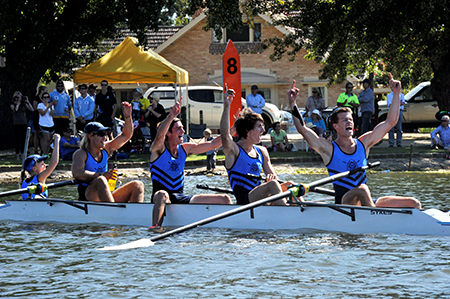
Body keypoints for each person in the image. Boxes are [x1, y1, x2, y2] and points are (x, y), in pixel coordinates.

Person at [288, 75, 421, 209]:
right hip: (345, 204)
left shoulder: (364, 143)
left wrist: (397, 93)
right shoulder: (328, 149)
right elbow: (303, 129)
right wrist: (292, 103)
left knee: (413, 203)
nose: (349, 122)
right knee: (362, 189)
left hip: (365, 200)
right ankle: (373, 223)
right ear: (335, 126)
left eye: (350, 119)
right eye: (345, 120)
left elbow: (390, 122)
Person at [150, 98, 232, 227]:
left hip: (180, 197)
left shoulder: (185, 149)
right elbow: (159, 136)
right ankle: (156, 228)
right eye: (179, 129)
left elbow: (214, 144)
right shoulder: (158, 150)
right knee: (162, 194)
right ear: (168, 133)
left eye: (183, 128)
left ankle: (233, 225)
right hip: (160, 198)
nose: (183, 132)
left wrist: (233, 123)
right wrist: (171, 116)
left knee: (224, 199)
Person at [221, 87, 297, 206]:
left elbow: (274, 179)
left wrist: (272, 178)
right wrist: (226, 107)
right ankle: (287, 215)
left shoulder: (262, 151)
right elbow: (225, 136)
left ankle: (304, 211)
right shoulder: (234, 151)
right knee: (272, 185)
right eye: (259, 126)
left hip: (261, 197)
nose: (264, 129)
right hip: (245, 202)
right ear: (248, 130)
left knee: (291, 185)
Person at [71, 102, 144, 203]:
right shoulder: (81, 153)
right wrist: (102, 174)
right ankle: (113, 212)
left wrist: (128, 117)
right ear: (90, 137)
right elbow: (77, 173)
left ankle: (135, 215)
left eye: (105, 134)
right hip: (87, 195)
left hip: (106, 194)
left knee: (138, 185)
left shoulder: (107, 148)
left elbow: (126, 136)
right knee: (101, 180)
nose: (104, 137)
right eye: (101, 134)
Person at [20, 133, 60, 200]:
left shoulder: (25, 181)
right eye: (42, 164)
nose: (45, 165)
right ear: (34, 168)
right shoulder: (39, 178)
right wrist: (57, 141)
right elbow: (54, 162)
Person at [10, 91, 33, 160]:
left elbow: (31, 109)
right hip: (16, 123)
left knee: (23, 139)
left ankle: (23, 154)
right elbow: (15, 110)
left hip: (24, 123)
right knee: (17, 139)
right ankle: (17, 155)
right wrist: (17, 104)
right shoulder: (12, 104)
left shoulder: (23, 104)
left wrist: (27, 102)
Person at [32, 86, 47, 154]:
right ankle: (35, 149)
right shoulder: (36, 98)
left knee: (43, 134)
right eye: (45, 90)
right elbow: (35, 108)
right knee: (36, 133)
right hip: (37, 117)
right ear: (42, 91)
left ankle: (42, 149)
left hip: (44, 117)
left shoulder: (46, 98)